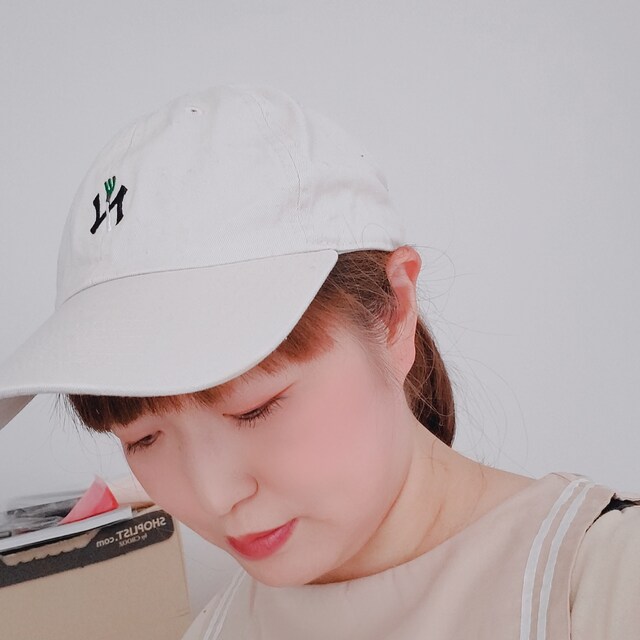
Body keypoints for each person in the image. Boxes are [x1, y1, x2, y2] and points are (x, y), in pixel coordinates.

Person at [0, 84, 638, 640]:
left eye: (254, 408)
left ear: (393, 313)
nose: (213, 496)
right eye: (142, 438)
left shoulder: (603, 587)